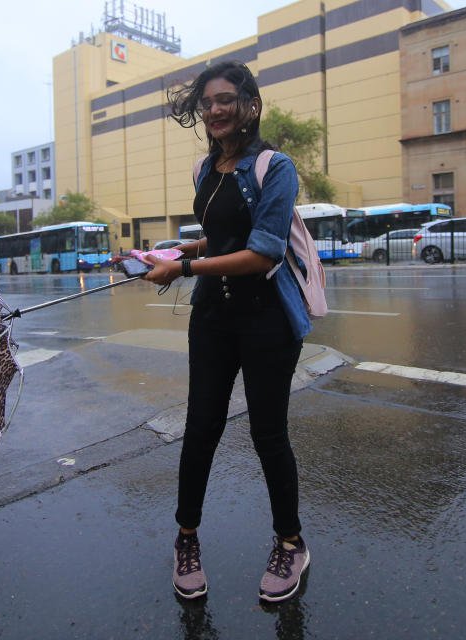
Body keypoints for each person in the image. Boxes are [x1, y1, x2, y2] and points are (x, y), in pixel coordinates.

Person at [141, 61, 313, 603]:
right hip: (213, 317)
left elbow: (263, 250)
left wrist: (183, 270)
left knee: (268, 434)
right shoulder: (203, 170)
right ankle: (185, 540)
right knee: (201, 429)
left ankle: (291, 543)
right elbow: (220, 239)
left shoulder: (274, 167)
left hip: (266, 321)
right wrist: (171, 252)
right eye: (207, 101)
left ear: (250, 105)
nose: (214, 109)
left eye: (225, 100)